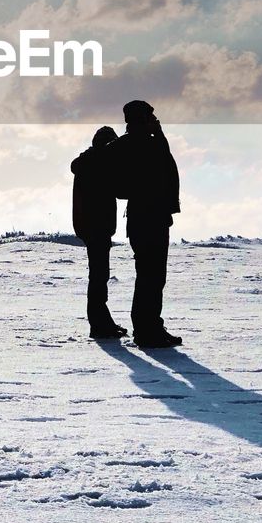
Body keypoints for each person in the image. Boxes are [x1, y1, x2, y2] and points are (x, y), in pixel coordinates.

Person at [107, 100, 182, 348]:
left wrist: (158, 134)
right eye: (151, 116)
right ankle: (146, 331)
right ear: (142, 119)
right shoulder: (131, 144)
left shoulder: (148, 142)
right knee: (150, 276)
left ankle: (151, 327)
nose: (155, 119)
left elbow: (165, 164)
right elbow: (94, 168)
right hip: (146, 218)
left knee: (153, 276)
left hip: (153, 217)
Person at [70, 126, 127, 339]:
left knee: (98, 275)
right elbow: (117, 189)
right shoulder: (98, 163)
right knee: (98, 276)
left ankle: (102, 322)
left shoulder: (89, 162)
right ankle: (100, 325)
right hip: (96, 227)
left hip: (92, 226)